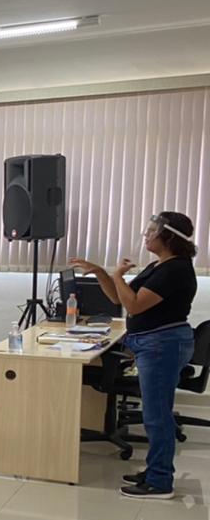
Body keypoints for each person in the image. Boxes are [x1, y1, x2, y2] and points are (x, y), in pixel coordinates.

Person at [72, 211, 198, 499]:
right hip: (154, 343)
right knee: (157, 413)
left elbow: (136, 306)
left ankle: (159, 481)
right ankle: (155, 470)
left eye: (152, 231)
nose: (146, 235)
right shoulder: (159, 266)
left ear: (168, 237)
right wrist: (102, 273)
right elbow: (118, 298)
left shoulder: (175, 270)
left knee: (157, 416)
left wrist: (116, 274)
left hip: (162, 344)